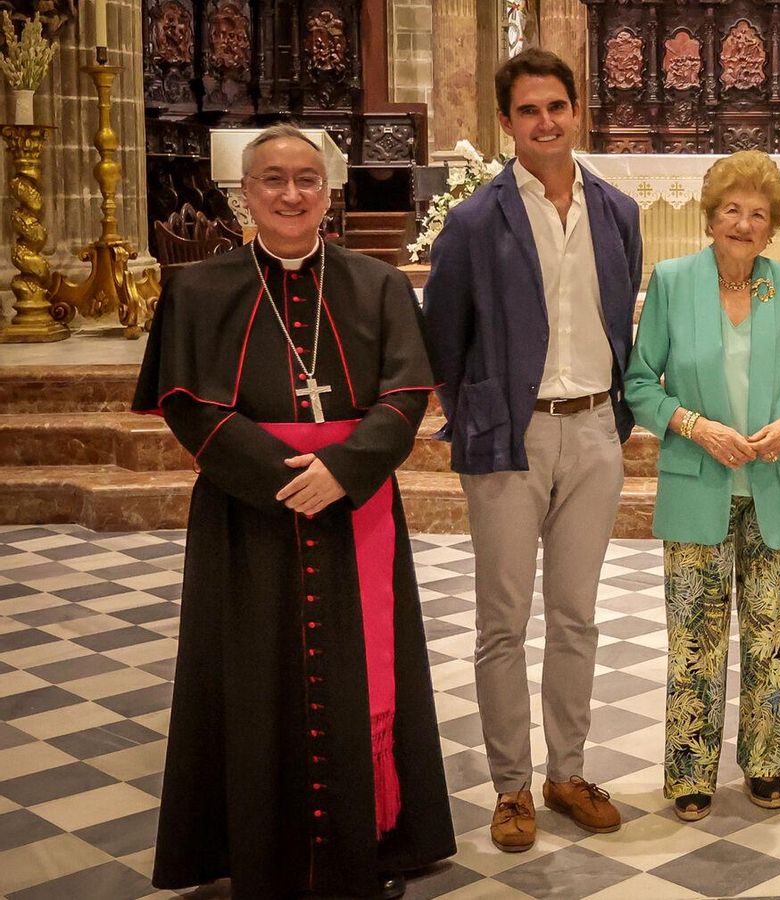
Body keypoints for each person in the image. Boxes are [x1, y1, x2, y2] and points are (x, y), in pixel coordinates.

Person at [134, 124, 454, 900]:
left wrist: (343, 469)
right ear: (245, 193)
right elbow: (186, 404)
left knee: (361, 676)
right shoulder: (199, 290)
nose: (290, 194)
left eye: (307, 179)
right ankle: (255, 848)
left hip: (354, 504)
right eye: (272, 179)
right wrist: (284, 479)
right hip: (248, 515)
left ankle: (368, 844)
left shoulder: (377, 285)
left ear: (328, 192)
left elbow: (407, 393)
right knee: (249, 675)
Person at [422, 48, 642, 848]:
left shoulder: (617, 211)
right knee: (503, 621)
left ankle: (566, 773)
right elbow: (442, 337)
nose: (545, 122)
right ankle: (511, 787)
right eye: (528, 110)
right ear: (506, 122)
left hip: (594, 428)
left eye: (556, 106)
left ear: (576, 111)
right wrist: (481, 412)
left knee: (577, 614)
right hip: (511, 434)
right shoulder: (475, 221)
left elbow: (619, 313)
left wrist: (610, 414)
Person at [624, 151, 780, 822]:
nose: (744, 223)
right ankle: (690, 772)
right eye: (732, 210)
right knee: (695, 637)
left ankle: (766, 762)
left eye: (758, 214)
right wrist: (695, 426)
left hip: (773, 484)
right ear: (710, 218)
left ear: (773, 227)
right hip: (696, 483)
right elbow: (640, 382)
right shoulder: (673, 282)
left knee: (773, 635)